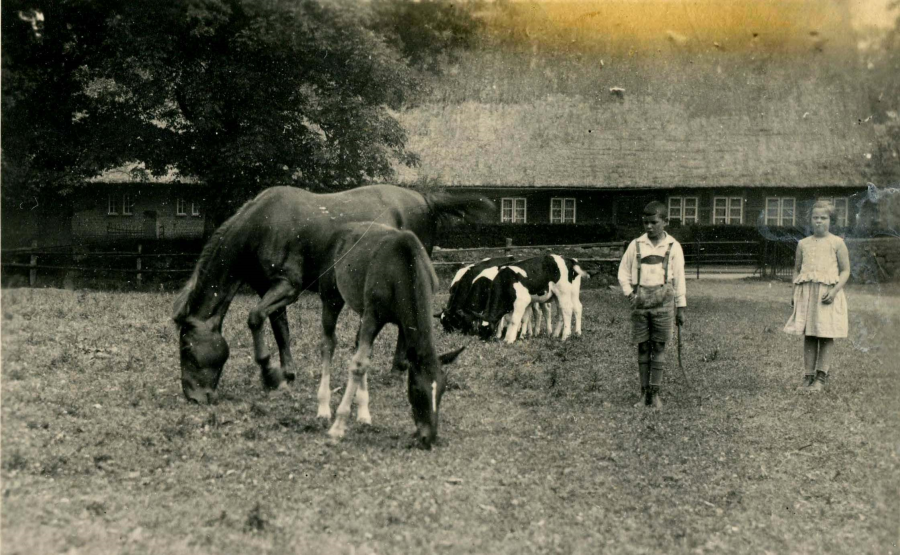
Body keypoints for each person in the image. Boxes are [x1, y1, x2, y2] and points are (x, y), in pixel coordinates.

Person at [617, 201, 686, 408]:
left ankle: (655, 393)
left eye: (654, 222)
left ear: (665, 222)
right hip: (640, 302)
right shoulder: (636, 244)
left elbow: (679, 279)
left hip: (664, 303)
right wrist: (630, 294)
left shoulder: (673, 246)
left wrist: (680, 307)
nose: (649, 227)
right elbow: (623, 273)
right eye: (645, 223)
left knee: (659, 345)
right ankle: (643, 393)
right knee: (643, 346)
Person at [783, 200, 850, 392]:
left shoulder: (837, 243)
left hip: (827, 295)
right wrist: (795, 291)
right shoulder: (803, 244)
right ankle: (808, 376)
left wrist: (835, 290)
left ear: (831, 220)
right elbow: (796, 270)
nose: (819, 221)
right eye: (815, 218)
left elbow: (845, 271)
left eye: (824, 218)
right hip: (808, 294)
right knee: (810, 334)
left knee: (825, 335)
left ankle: (821, 377)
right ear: (810, 220)